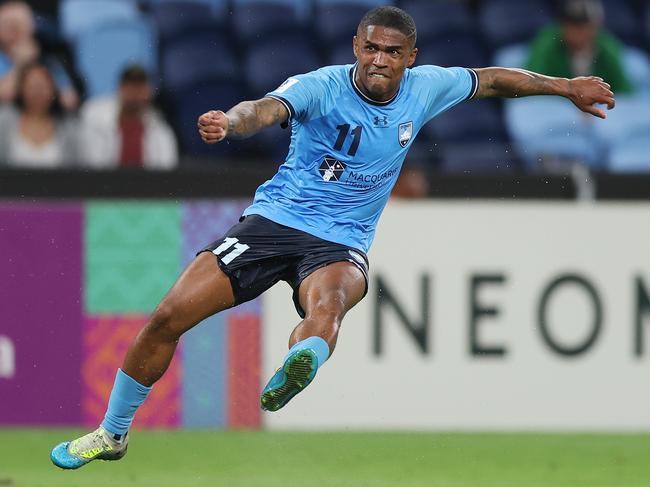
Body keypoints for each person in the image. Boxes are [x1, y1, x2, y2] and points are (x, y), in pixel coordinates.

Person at [50, 6, 614, 469]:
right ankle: (112, 432)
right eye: (370, 48)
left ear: (410, 58)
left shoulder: (425, 88)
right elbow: (265, 108)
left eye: (392, 52)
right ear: (355, 47)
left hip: (339, 241)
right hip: (274, 222)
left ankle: (301, 361)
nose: (378, 60)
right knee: (169, 316)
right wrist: (232, 121)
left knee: (332, 301)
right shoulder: (321, 86)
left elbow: (491, 81)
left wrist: (566, 87)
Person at [79, 64, 178, 170]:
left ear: (149, 91)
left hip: (146, 185)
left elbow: (168, 170)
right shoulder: (94, 115)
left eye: (140, 86)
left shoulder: (160, 127)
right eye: (130, 85)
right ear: (120, 88)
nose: (134, 92)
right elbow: (87, 161)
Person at [526, 0, 632, 94]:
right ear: (562, 26)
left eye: (583, 26)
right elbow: (531, 83)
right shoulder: (547, 42)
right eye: (572, 25)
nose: (577, 33)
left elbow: (624, 91)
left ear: (596, 26)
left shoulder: (607, 47)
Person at [0, 1, 79, 111]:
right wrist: (20, 64)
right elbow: (4, 95)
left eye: (15, 25)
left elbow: (70, 99)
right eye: (5, 25)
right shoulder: (2, 59)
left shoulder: (50, 53)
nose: (12, 31)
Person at [0, 59, 78, 167]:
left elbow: (77, 168)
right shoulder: (4, 120)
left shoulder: (68, 126)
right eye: (32, 86)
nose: (37, 92)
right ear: (21, 89)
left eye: (42, 86)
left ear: (53, 89)